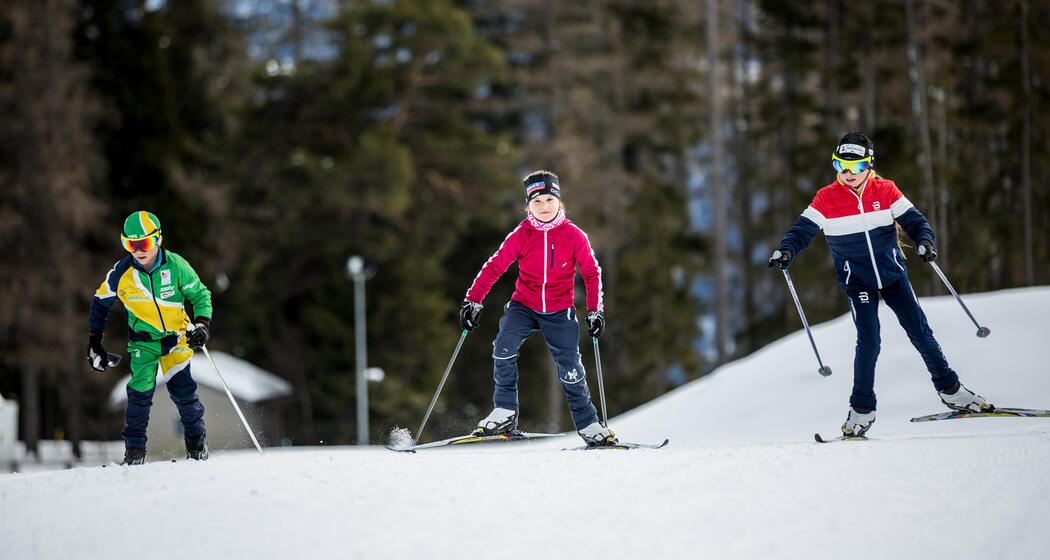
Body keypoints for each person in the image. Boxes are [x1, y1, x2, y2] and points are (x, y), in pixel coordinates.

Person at [769, 132, 993, 437]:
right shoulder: (826, 198)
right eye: (840, 165)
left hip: (892, 277)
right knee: (869, 341)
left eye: (856, 166)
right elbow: (801, 230)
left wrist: (925, 242)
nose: (846, 174)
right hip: (857, 281)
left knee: (921, 333)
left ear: (868, 166)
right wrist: (785, 251)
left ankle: (952, 392)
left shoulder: (885, 191)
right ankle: (861, 410)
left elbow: (916, 222)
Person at [459, 170, 615, 446]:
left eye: (548, 200)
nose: (544, 207)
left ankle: (589, 424)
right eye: (536, 202)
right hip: (524, 305)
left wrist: (595, 310)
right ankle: (505, 411)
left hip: (560, 310)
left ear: (559, 201)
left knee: (570, 368)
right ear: (528, 205)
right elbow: (495, 267)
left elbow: (591, 273)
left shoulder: (574, 235)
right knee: (503, 346)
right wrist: (473, 301)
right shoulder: (521, 234)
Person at [87, 211, 214, 464]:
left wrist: (201, 325)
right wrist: (94, 342)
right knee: (139, 395)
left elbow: (200, 295)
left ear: (158, 239)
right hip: (142, 342)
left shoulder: (176, 265)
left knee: (184, 393)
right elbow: (100, 303)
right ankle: (134, 453)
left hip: (176, 338)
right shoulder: (122, 274)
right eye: (130, 244)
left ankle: (197, 445)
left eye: (143, 243)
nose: (138, 250)